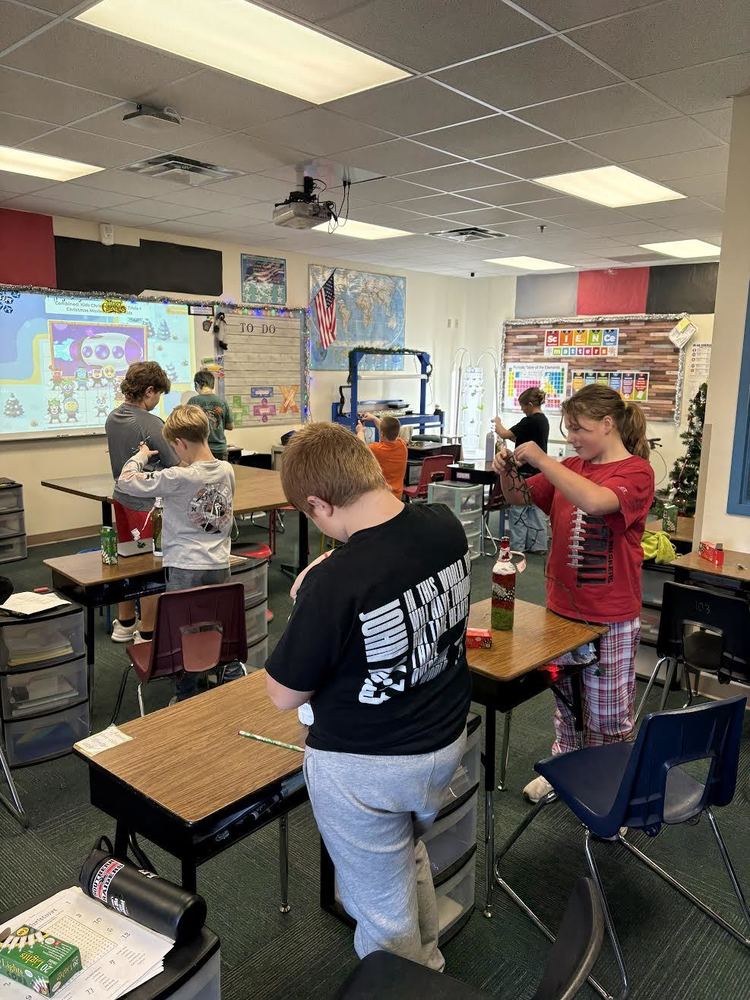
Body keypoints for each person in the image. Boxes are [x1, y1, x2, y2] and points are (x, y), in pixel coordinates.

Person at [265, 423, 472, 971]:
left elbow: (283, 695)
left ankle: (403, 979)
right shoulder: (446, 525)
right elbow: (388, 554)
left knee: (380, 917)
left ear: (318, 503)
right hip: (444, 742)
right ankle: (429, 962)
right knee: (406, 857)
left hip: (368, 766)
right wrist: (329, 566)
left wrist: (315, 588)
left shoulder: (334, 584)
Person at [493, 384, 654, 802]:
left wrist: (543, 460)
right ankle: (564, 768)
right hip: (562, 611)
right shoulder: (570, 466)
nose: (573, 438)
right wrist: (506, 470)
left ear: (608, 424)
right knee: (566, 701)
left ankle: (611, 786)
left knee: (608, 711)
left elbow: (598, 503)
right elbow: (520, 498)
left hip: (609, 615)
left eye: (579, 429)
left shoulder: (635, 472)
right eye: (568, 430)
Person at [116, 404, 238, 701]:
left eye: (175, 447)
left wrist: (140, 457)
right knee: (213, 625)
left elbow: (126, 481)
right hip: (219, 563)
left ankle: (185, 696)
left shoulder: (178, 477)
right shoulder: (227, 469)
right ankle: (219, 677)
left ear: (180, 443)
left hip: (185, 567)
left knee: (185, 633)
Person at [105, 361, 178, 643]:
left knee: (126, 562)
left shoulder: (113, 417)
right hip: (147, 506)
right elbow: (175, 463)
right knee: (151, 566)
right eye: (158, 393)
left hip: (121, 499)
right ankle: (147, 632)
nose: (158, 400)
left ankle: (124, 622)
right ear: (149, 391)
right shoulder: (152, 423)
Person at [494, 387, 549, 553]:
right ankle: (538, 545)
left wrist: (497, 421)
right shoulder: (543, 421)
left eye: (523, 406)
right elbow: (516, 437)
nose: (522, 409)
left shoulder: (529, 420)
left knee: (519, 509)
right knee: (536, 509)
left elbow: (503, 433)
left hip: (524, 471)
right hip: (539, 472)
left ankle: (518, 547)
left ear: (530, 404)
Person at [356, 411, 408, 498]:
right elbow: (388, 430)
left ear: (382, 434)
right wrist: (373, 418)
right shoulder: (402, 444)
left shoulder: (377, 449)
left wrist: (360, 431)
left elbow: (361, 446)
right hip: (397, 497)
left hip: (382, 497)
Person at [187, 370, 234, 461]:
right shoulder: (222, 401)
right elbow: (230, 426)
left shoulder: (193, 401)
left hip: (202, 449)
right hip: (221, 449)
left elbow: (187, 425)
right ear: (212, 384)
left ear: (197, 384)